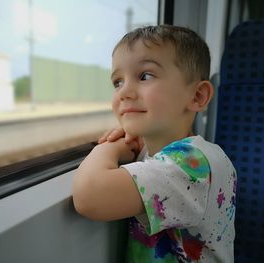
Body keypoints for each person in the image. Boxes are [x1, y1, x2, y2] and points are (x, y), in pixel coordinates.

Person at [72, 25, 236, 262]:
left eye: (145, 76)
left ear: (197, 96)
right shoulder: (154, 153)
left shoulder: (192, 165)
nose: (124, 92)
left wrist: (108, 148)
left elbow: (89, 197)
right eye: (117, 82)